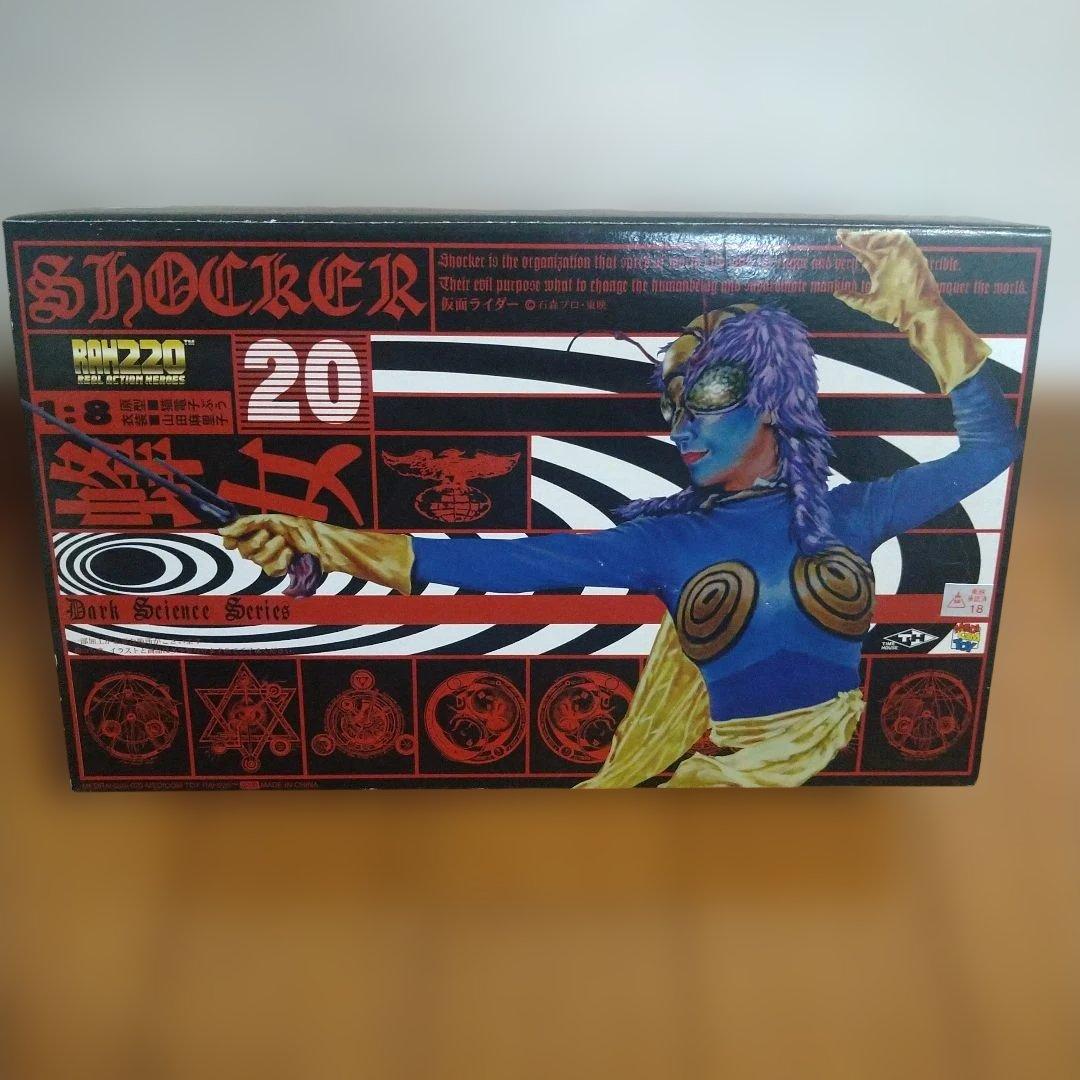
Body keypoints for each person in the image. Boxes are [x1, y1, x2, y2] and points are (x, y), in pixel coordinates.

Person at [221, 230, 1021, 787]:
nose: (682, 426)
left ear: (776, 397)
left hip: (849, 770)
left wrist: (923, 310)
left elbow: (991, 451)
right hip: (728, 786)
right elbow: (498, 563)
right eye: (672, 403)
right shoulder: (668, 542)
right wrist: (321, 540)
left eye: (707, 392)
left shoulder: (858, 512)